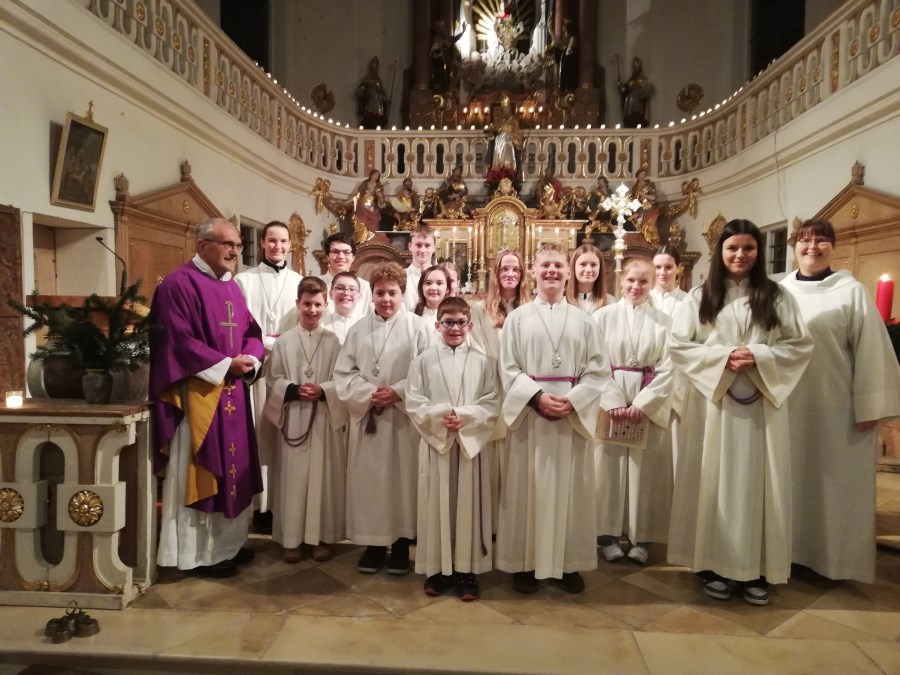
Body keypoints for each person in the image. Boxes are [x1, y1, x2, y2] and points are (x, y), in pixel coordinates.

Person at [667, 219, 813, 606]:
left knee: (758, 486)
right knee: (712, 482)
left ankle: (759, 568)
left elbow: (799, 345)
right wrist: (723, 357)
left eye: (748, 248)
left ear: (758, 252)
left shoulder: (778, 296)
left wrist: (760, 355)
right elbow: (679, 346)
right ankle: (712, 565)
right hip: (713, 407)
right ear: (720, 252)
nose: (740, 255)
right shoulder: (700, 296)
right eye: (732, 248)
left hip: (761, 409)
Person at [496, 243, 623, 594]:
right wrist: (536, 397)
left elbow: (599, 370)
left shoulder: (585, 320)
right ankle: (525, 563)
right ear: (533, 272)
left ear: (567, 273)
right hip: (531, 418)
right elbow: (506, 368)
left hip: (570, 418)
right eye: (544, 265)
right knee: (527, 489)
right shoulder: (517, 318)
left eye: (557, 266)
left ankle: (568, 564)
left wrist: (573, 401)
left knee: (573, 491)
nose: (551, 271)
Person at [780, 219, 900, 583]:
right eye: (805, 240)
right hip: (784, 405)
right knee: (787, 481)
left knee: (833, 485)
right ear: (794, 247)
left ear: (833, 247)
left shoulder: (851, 292)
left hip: (836, 409)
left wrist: (870, 407)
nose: (812, 247)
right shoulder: (778, 292)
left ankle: (832, 562)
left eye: (821, 240)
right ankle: (784, 553)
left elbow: (873, 352)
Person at [150, 218, 264, 578]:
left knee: (234, 475)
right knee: (202, 471)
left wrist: (251, 358)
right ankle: (198, 555)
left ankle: (228, 546)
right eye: (226, 244)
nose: (234, 251)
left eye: (236, 245)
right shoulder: (177, 285)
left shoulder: (232, 287)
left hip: (232, 392)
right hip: (198, 395)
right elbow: (178, 341)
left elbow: (250, 330)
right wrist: (225, 364)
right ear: (202, 246)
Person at [333, 262, 432, 575]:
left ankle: (402, 545)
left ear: (403, 294)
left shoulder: (418, 328)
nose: (386, 298)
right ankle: (374, 545)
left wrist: (399, 392)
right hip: (370, 419)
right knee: (372, 484)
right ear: (371, 295)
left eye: (393, 292)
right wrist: (367, 393)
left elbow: (428, 371)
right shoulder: (358, 330)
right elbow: (343, 373)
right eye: (380, 293)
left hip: (404, 420)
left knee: (403, 483)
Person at [407, 297, 500, 601]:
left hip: (469, 447)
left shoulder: (485, 361)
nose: (455, 328)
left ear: (470, 325)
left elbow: (492, 401)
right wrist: (440, 417)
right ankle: (436, 569)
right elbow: (414, 400)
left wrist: (467, 418)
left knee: (467, 508)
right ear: (437, 325)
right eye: (448, 322)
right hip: (437, 445)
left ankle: (466, 571)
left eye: (461, 322)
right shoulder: (423, 360)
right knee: (436, 506)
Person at [594, 258, 674, 565]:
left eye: (643, 281)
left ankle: (642, 537)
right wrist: (612, 399)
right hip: (610, 401)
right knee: (608, 470)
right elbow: (594, 361)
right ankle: (607, 535)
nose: (635, 287)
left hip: (645, 399)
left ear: (652, 283)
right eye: (630, 281)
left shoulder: (664, 322)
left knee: (645, 471)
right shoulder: (603, 317)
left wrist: (643, 403)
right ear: (620, 280)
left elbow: (670, 366)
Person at [264, 277, 347, 564]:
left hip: (324, 417)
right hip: (294, 418)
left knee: (323, 476)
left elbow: (344, 379)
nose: (312, 310)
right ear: (297, 303)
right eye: (307, 304)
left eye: (318, 304)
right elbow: (272, 378)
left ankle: (321, 538)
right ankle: (292, 540)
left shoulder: (335, 341)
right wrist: (293, 389)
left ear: (327, 305)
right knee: (294, 477)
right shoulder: (284, 341)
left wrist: (325, 389)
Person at [234, 221, 304, 533]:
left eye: (283, 241)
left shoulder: (299, 281)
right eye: (272, 240)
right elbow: (237, 324)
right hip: (255, 368)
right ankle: (256, 506)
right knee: (257, 434)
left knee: (280, 438)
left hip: (287, 368)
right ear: (262, 243)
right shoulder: (242, 280)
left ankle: (278, 504)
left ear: (291, 245)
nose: (278, 246)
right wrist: (262, 344)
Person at [469, 250, 531, 533]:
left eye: (515, 270)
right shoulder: (480, 310)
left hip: (523, 390)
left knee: (519, 458)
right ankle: (493, 523)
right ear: (496, 273)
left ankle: (517, 522)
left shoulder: (531, 309)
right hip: (494, 390)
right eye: (505, 269)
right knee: (494, 458)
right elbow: (477, 348)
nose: (510, 274)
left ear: (523, 275)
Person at [649, 245, 690, 479]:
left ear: (679, 269)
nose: (662, 272)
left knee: (675, 444)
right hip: (649, 378)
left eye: (668, 267)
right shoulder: (645, 300)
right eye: (657, 267)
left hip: (678, 381)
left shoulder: (689, 301)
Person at [319, 233, 372, 318]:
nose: (341, 256)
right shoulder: (315, 284)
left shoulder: (365, 287)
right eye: (335, 252)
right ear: (327, 257)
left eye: (346, 252)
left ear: (353, 257)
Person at [566, 244, 615, 316]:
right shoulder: (562, 301)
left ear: (600, 269)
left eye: (593, 265)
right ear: (573, 268)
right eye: (583, 264)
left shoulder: (611, 303)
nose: (588, 269)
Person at [322, 271, 362, 344]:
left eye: (352, 289)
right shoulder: (321, 325)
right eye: (340, 288)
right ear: (331, 294)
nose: (346, 293)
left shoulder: (368, 323)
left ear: (359, 297)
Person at [404, 225, 437, 310]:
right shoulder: (401, 276)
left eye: (427, 245)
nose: (422, 250)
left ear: (434, 248)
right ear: (410, 246)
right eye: (418, 245)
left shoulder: (441, 277)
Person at [487, 97, 523, 173]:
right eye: (503, 109)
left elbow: (517, 134)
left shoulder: (514, 121)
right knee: (498, 160)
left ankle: (510, 172)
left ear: (509, 109)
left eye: (506, 109)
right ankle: (497, 172)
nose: (505, 111)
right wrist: (493, 128)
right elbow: (495, 129)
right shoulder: (498, 120)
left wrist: (510, 132)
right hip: (498, 143)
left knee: (509, 159)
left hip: (509, 142)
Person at [618, 56, 654, 128]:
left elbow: (648, 88)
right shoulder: (631, 78)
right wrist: (619, 83)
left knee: (637, 114)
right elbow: (624, 88)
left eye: (637, 66)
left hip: (638, 100)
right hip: (630, 100)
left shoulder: (642, 78)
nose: (636, 68)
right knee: (630, 115)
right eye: (634, 66)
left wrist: (638, 84)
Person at [356, 56, 389, 129]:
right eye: (373, 67)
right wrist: (362, 91)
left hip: (378, 104)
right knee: (370, 117)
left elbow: (382, 91)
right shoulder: (366, 79)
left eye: (375, 67)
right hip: (370, 102)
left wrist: (385, 98)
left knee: (378, 118)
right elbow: (361, 90)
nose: (374, 69)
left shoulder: (378, 80)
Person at [353, 169, 386, 237]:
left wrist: (380, 197)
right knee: (362, 223)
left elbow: (381, 199)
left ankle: (371, 238)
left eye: (378, 175)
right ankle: (361, 239)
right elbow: (358, 195)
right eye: (375, 174)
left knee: (375, 223)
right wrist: (348, 201)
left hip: (372, 207)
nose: (376, 176)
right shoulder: (364, 183)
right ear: (371, 175)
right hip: (362, 207)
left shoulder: (378, 186)